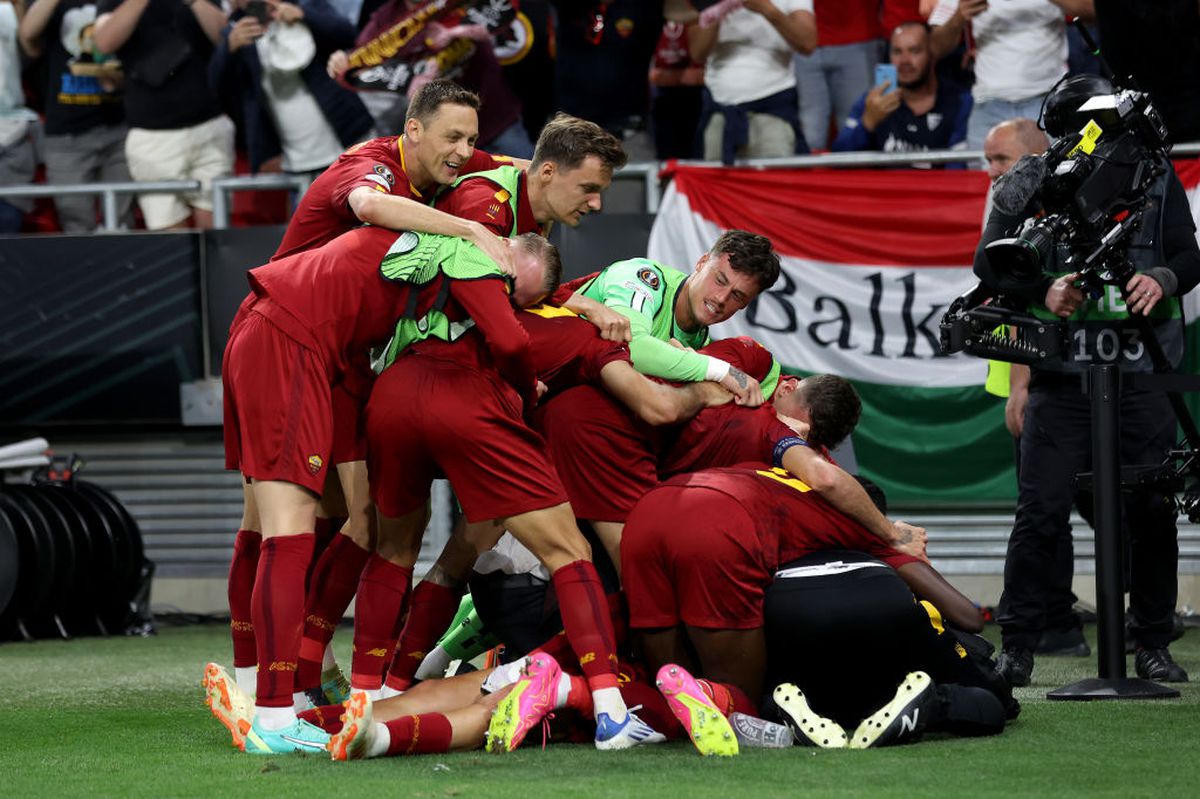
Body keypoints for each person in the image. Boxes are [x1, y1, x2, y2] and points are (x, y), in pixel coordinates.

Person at [221, 222, 560, 755]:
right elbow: (512, 341)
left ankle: (277, 690)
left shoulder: (439, 238)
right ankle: (276, 709)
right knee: (290, 535)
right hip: (294, 342)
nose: (503, 299)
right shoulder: (465, 245)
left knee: (304, 527)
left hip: (310, 348)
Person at [974, 75, 1200, 686]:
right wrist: (1042, 288)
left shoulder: (1156, 174)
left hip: (1145, 373)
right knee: (1039, 512)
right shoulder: (1034, 180)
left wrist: (1165, 281)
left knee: (1151, 512)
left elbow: (1188, 253)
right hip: (1062, 379)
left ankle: (1151, 641)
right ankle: (1018, 645)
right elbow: (986, 264)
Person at [979, 117, 1087, 658]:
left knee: (1056, 502)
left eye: (1001, 159)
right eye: (988, 161)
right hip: (1035, 375)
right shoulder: (1011, 200)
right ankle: (1059, 623)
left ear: (1035, 155)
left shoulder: (1049, 203)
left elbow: (1028, 304)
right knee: (1049, 505)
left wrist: (1022, 385)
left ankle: (1068, 621)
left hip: (1053, 378)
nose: (992, 172)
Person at [93, 0, 234, 230]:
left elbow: (227, 39)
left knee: (216, 237)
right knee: (171, 240)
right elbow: (104, 43)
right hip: (152, 137)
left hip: (209, 126)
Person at [208, 0, 374, 178]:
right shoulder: (238, 29)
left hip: (350, 139)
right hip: (296, 160)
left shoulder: (305, 4)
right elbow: (218, 88)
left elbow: (350, 35)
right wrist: (229, 48)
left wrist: (304, 15)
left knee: (368, 202)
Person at [18, 0, 134, 232]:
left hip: (119, 128)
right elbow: (28, 34)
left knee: (122, 224)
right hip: (65, 135)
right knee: (76, 224)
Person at [927, 0, 1095, 151]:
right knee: (987, 183)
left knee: (1058, 179)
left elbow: (1092, 11)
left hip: (1047, 102)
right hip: (989, 105)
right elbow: (935, 47)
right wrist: (958, 18)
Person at [688, 0, 817, 163]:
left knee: (772, 185)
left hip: (772, 110)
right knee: (719, 187)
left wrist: (768, 9)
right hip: (720, 110)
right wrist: (718, 10)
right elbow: (697, 53)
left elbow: (808, 43)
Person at [830, 21, 971, 158]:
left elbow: (960, 164)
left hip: (937, 182)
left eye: (914, 51)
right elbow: (838, 157)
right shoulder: (874, 102)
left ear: (932, 55)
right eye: (897, 52)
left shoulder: (959, 101)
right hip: (885, 182)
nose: (904, 61)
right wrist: (868, 123)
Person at [794, 0, 883, 151]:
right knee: (811, 136)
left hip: (858, 37)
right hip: (804, 40)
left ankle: (858, 175)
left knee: (856, 127)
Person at [0, 0, 38, 234]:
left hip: (10, 131)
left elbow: (32, 50)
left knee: (8, 219)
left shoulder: (7, 10)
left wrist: (19, 5)